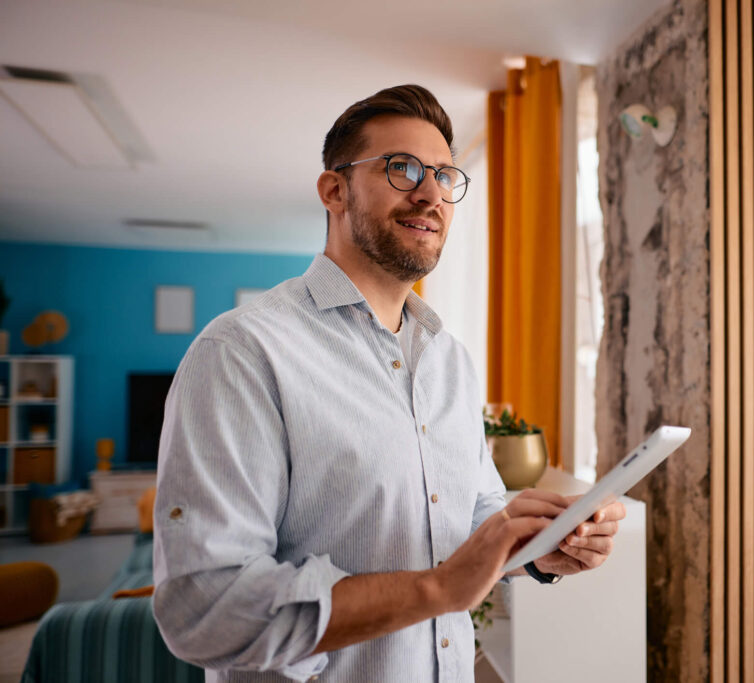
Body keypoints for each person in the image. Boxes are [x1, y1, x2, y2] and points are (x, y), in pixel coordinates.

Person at [152, 84, 626, 682]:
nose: (431, 193)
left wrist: (530, 549)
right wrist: (439, 588)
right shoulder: (243, 352)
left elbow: (468, 512)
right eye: (402, 169)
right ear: (334, 190)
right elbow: (205, 609)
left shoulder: (449, 359)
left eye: (446, 176)